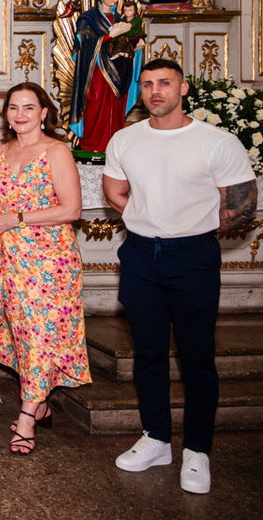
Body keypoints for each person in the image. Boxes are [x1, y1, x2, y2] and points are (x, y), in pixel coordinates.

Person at [104, 59, 256, 494]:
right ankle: (156, 438)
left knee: (196, 357)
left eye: (164, 83)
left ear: (182, 88)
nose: (156, 91)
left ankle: (196, 450)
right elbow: (115, 191)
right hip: (139, 255)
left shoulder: (216, 141)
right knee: (148, 353)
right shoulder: (125, 139)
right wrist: (150, 218)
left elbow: (241, 204)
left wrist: (188, 228)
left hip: (192, 254)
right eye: (148, 83)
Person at [0, 83, 90, 455]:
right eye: (13, 107)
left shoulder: (56, 151)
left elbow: (72, 210)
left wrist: (20, 218)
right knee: (22, 336)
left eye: (29, 107)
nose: (20, 114)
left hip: (50, 260)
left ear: (44, 112)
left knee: (42, 336)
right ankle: (39, 402)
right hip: (11, 260)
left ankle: (27, 417)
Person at [68, 0, 136, 153]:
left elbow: (130, 41)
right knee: (95, 102)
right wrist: (109, 35)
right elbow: (84, 44)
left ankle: (112, 146)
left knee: (115, 107)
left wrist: (136, 45)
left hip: (119, 70)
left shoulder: (122, 18)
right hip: (96, 70)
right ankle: (91, 143)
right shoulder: (88, 18)